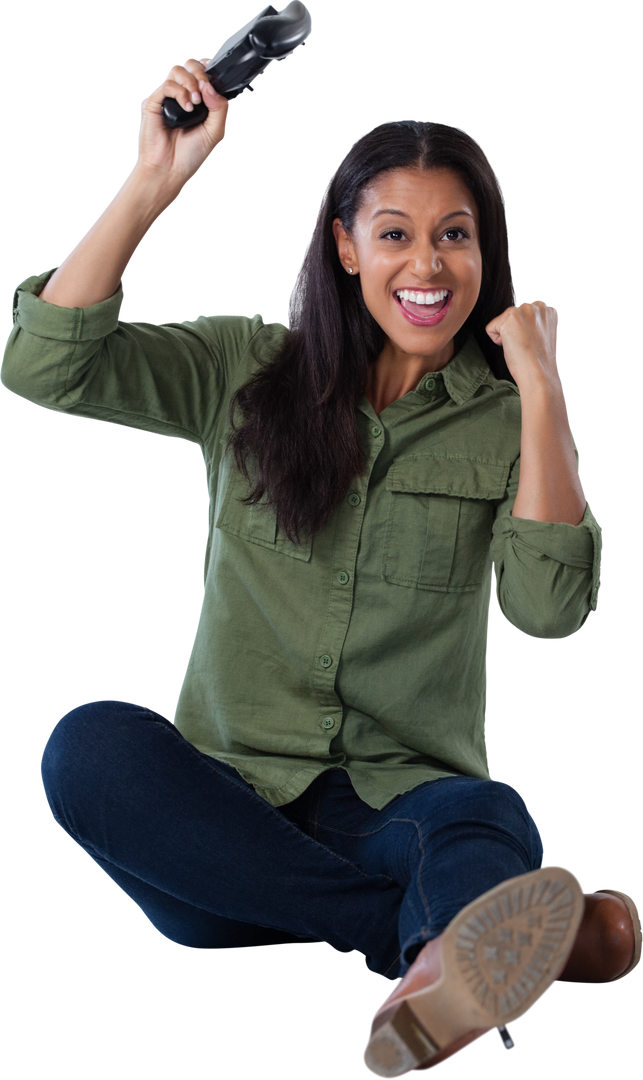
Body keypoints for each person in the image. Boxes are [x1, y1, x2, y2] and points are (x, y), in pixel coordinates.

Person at [2, 56, 639, 1077]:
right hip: (220, 833)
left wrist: (541, 381)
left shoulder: (511, 420)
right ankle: (444, 947)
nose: (424, 266)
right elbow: (44, 366)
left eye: (453, 236)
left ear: (486, 254)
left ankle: (453, 949)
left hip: (399, 813)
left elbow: (550, 611)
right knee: (87, 746)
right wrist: (154, 179)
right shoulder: (242, 369)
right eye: (394, 234)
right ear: (345, 247)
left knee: (481, 811)